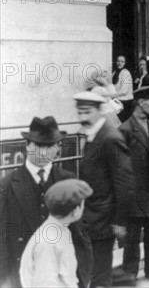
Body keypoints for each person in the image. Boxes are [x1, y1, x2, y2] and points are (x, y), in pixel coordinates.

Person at [1, 117, 93, 288]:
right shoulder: (7, 186)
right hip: (23, 277)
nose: (44, 152)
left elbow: (79, 234)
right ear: (27, 145)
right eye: (39, 146)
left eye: (50, 146)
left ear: (57, 148)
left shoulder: (67, 180)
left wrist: (83, 277)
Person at [73, 91, 135, 288]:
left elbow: (125, 182)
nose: (83, 117)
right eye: (80, 112)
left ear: (99, 111)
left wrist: (119, 221)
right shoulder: (94, 135)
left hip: (104, 219)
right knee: (92, 273)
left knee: (100, 278)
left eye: (87, 112)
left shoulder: (110, 137)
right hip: (91, 217)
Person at [119, 86, 149, 285]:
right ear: (140, 103)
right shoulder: (125, 129)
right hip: (135, 192)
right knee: (132, 236)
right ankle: (130, 272)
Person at [19, 179, 93, 288]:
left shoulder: (60, 230)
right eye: (83, 204)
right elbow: (45, 284)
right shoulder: (49, 240)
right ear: (76, 210)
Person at [112, 55, 134, 121]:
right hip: (118, 100)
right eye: (118, 61)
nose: (120, 63)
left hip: (125, 101)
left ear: (125, 63)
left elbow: (124, 91)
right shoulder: (115, 72)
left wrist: (112, 95)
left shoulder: (126, 73)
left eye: (122, 61)